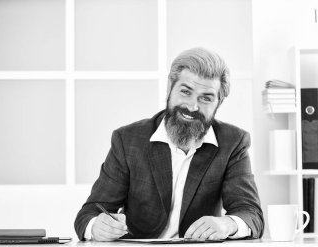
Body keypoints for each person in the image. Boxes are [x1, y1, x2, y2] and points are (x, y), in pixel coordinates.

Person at [74, 47, 264, 241]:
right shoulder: (128, 140)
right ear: (169, 88)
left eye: (206, 98)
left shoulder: (233, 142)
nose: (193, 106)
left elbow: (251, 214)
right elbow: (88, 214)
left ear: (219, 103)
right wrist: (96, 226)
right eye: (185, 92)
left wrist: (227, 224)